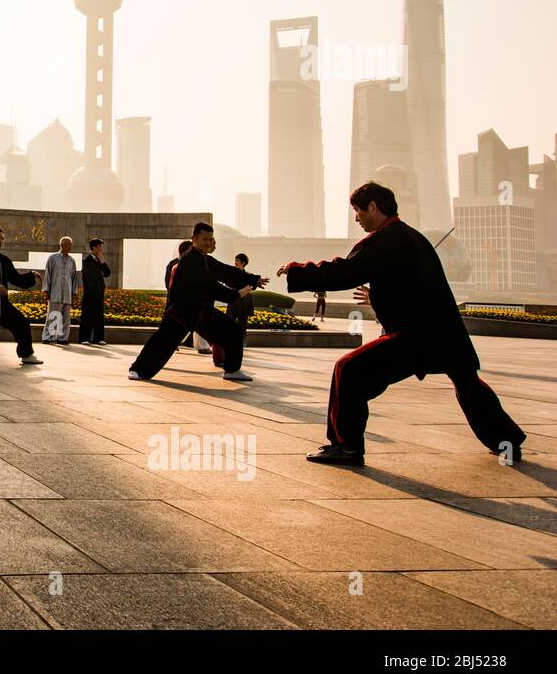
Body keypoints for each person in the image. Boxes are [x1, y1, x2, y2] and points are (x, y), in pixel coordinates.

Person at [278, 181, 526, 467]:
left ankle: (346, 448)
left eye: (358, 211)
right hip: (445, 334)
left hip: (416, 336)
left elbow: (344, 273)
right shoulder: (412, 237)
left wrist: (297, 270)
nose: (356, 218)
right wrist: (380, 296)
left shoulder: (386, 239)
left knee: (349, 370)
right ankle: (507, 441)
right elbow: (411, 286)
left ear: (373, 206)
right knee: (468, 385)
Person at [129, 221, 266, 382]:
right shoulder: (189, 261)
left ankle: (231, 370)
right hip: (182, 312)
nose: (208, 242)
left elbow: (227, 272)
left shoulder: (207, 260)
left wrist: (253, 279)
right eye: (205, 239)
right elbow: (211, 287)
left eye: (211, 239)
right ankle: (137, 369)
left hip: (203, 312)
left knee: (233, 332)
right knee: (163, 341)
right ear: (194, 238)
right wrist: (236, 294)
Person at [0, 227, 43, 365]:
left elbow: (16, 278)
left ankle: (26, 354)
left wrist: (31, 275)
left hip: (2, 305)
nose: (0, 241)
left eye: (2, 238)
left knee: (22, 323)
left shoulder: (5, 261)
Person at [42, 237, 78, 346]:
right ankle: (48, 337)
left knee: (66, 318)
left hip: (67, 293)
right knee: (53, 315)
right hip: (55, 291)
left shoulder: (72, 261)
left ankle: (63, 338)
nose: (70, 246)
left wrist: (74, 292)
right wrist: (46, 290)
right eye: (68, 244)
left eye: (71, 244)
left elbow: (74, 278)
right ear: (61, 245)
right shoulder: (53, 258)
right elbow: (48, 275)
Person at [78, 238, 111, 345]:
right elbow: (91, 275)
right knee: (87, 315)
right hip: (90, 292)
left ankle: (98, 338)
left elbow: (107, 273)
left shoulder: (100, 259)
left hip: (99, 291)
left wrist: (102, 262)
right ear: (94, 247)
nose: (101, 248)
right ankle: (84, 338)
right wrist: (100, 270)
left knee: (99, 315)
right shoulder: (86, 260)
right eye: (100, 246)